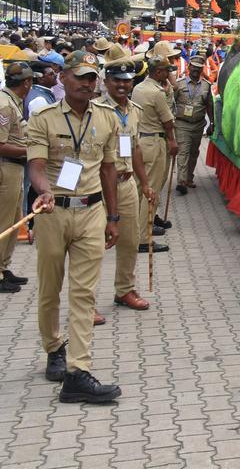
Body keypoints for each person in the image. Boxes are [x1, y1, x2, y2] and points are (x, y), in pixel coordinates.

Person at [28, 50, 124, 402]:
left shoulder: (107, 117)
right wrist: (44, 191)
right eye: (80, 77)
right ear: (63, 78)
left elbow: (109, 169)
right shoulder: (44, 117)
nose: (87, 83)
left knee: (84, 293)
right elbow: (36, 165)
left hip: (92, 211)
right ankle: (54, 347)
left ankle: (77, 371)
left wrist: (114, 217)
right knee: (50, 288)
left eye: (91, 78)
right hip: (53, 213)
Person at [98, 52, 158, 311]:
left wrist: (145, 183)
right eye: (116, 81)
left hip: (127, 183)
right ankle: (85, 301)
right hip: (99, 186)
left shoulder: (135, 111)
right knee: (92, 246)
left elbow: (134, 149)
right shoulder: (96, 110)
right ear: (106, 82)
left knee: (130, 240)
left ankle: (124, 290)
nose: (122, 85)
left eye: (127, 80)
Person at [131, 55, 178, 250]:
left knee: (141, 190)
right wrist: (173, 140)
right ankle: (143, 238)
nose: (169, 74)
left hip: (142, 140)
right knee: (152, 192)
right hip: (155, 141)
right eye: (167, 70)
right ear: (158, 72)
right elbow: (168, 122)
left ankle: (138, 230)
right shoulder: (157, 92)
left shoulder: (139, 88)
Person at [0, 62, 33, 293]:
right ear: (27, 82)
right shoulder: (4, 106)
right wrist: (30, 151)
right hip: (6, 168)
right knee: (3, 221)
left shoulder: (13, 100)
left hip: (15, 168)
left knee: (13, 220)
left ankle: (4, 266)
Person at [173, 56, 213, 196]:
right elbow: (171, 102)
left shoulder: (206, 86)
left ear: (202, 69)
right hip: (182, 124)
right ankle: (181, 182)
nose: (196, 70)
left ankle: (189, 178)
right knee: (183, 151)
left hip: (198, 125)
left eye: (199, 68)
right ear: (189, 67)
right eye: (193, 67)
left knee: (194, 153)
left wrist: (212, 123)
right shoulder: (179, 84)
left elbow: (209, 106)